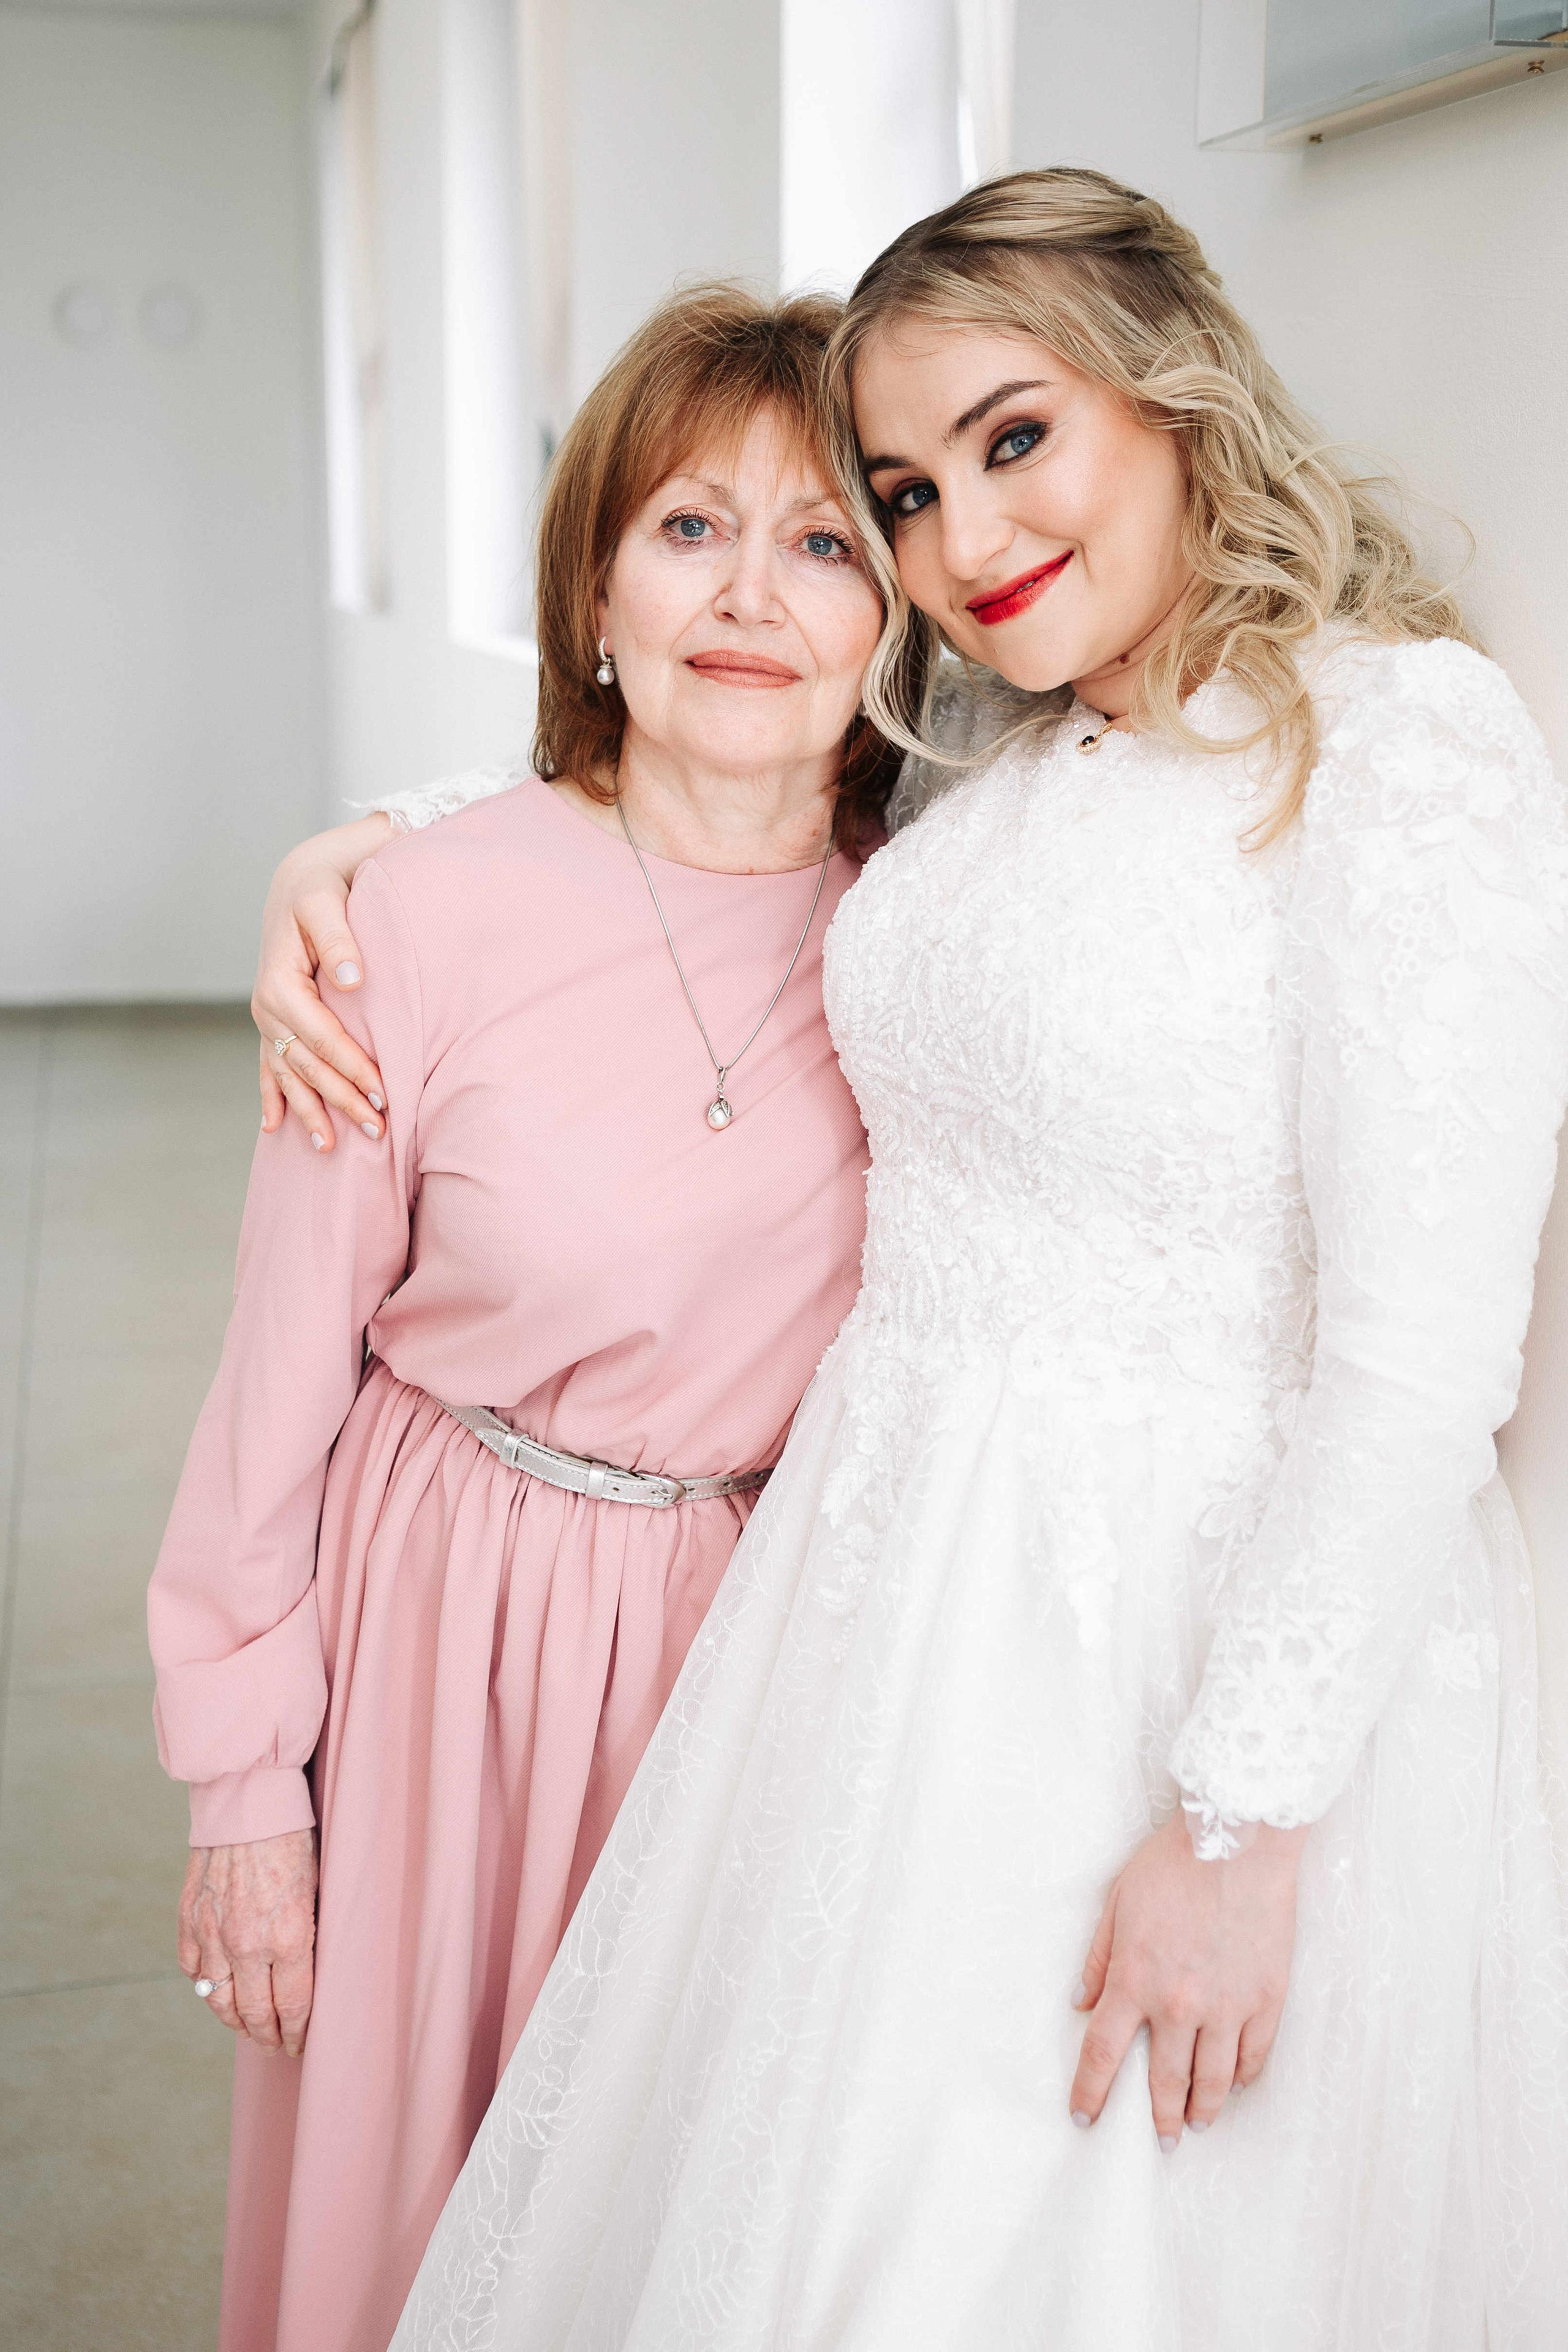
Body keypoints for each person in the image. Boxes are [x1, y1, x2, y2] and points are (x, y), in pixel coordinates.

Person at [372, 170, 1566, 2348]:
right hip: (889, 1607)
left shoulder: (1402, 747)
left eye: (1016, 441)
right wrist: (377, 863)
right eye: (908, 494)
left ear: (1173, 395)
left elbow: (1420, 1364)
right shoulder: (1018, 743)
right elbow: (717, 818)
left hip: (1160, 1648)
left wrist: (1236, 1821)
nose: (965, 541)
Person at [148, 285, 895, 2352]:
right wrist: (246, 1789)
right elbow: (273, 1390)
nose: (753, 595)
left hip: (743, 1670)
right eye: (688, 529)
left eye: (826, 539)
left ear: (899, 610)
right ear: (594, 584)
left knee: (670, 2221)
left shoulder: (927, 937)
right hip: (437, 1634)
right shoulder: (415, 919)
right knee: (403, 2209)